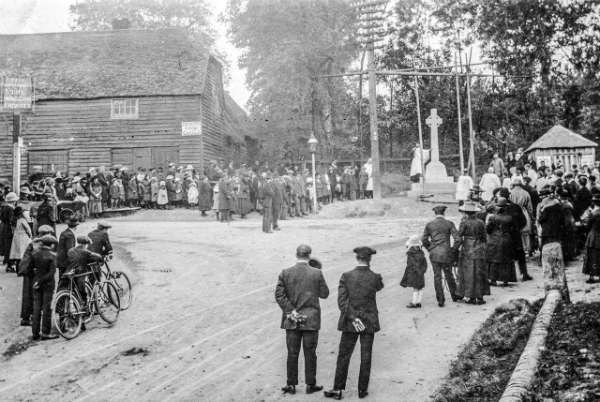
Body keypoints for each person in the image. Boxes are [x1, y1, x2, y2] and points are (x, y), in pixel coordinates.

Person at [325, 246, 383, 400]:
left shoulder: (346, 276)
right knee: (366, 356)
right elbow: (379, 287)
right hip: (369, 321)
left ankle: (338, 389)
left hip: (351, 322)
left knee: (344, 355)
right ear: (370, 259)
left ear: (357, 258)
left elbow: (342, 301)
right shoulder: (376, 277)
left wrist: (353, 317)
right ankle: (362, 390)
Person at [275, 244, 329, 395]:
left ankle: (291, 385)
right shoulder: (317, 273)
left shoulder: (285, 273)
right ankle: (310, 385)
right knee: (310, 353)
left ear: (296, 255)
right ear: (309, 256)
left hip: (292, 320)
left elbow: (279, 295)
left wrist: (291, 311)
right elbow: (324, 294)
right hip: (311, 320)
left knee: (292, 352)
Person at [421, 205, 461, 307]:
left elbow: (423, 240)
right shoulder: (449, 223)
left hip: (434, 253)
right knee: (449, 275)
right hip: (446, 253)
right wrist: (452, 250)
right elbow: (458, 239)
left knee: (437, 276)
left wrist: (430, 248)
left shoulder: (429, 224)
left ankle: (440, 300)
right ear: (444, 213)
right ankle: (454, 296)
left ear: (435, 213)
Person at [18, 225, 55, 327]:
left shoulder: (36, 240)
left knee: (29, 294)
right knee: (29, 295)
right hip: (29, 271)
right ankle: (26, 318)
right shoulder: (38, 243)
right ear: (45, 234)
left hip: (27, 269)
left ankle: (28, 317)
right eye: (49, 234)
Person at [66, 235, 104, 330]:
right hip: (79, 276)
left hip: (70, 275)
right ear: (84, 245)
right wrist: (102, 258)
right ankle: (82, 322)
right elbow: (98, 257)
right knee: (83, 296)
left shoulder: (70, 251)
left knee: (74, 295)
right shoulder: (85, 252)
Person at [456, 202, 490, 304]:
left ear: (465, 212)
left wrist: (455, 248)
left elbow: (459, 236)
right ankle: (480, 297)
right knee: (479, 272)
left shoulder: (464, 222)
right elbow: (484, 237)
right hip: (479, 248)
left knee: (468, 273)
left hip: (467, 249)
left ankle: (470, 296)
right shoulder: (481, 223)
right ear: (475, 212)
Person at [30, 234, 59, 341]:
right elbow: (51, 273)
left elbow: (29, 269)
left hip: (36, 284)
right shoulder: (52, 255)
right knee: (47, 308)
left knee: (37, 308)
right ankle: (46, 333)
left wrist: (37, 281)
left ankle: (35, 333)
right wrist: (41, 281)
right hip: (47, 284)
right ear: (51, 244)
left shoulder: (35, 253)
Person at [486, 198, 518, 287]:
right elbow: (513, 230)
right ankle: (506, 280)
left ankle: (493, 280)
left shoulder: (493, 217)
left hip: (495, 240)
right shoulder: (510, 218)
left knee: (494, 260)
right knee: (507, 260)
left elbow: (488, 230)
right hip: (507, 239)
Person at [401, 235, 427, 308]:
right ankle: (418, 302)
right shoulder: (421, 252)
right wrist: (423, 270)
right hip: (421, 272)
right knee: (420, 287)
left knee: (415, 287)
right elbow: (425, 263)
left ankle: (414, 303)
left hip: (414, 272)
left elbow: (411, 263)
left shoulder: (410, 253)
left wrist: (415, 270)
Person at [9, 206, 32, 274]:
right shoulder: (22, 220)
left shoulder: (13, 220)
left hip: (16, 237)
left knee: (18, 254)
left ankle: (17, 269)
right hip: (23, 237)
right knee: (24, 253)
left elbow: (12, 230)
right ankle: (24, 269)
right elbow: (27, 229)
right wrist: (30, 235)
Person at [583, 194, 600, 283]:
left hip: (593, 236)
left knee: (592, 256)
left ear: (593, 202)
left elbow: (588, 226)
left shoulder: (593, 214)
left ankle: (592, 276)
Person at [1, 191, 18, 271]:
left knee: (7, 245)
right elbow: (12, 220)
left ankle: (8, 263)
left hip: (5, 227)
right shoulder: (11, 209)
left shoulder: (3, 207)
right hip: (10, 228)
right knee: (11, 246)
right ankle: (10, 264)